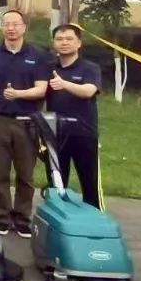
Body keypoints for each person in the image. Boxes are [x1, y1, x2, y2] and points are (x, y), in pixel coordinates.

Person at [0, 9, 50, 238]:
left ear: (24, 27)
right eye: (6, 24)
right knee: (0, 173)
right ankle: (3, 217)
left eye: (15, 24)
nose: (11, 28)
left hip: (27, 121)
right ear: (1, 27)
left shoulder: (38, 55)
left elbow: (42, 89)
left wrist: (19, 94)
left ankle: (22, 218)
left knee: (25, 175)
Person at [45, 24, 103, 209]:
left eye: (69, 39)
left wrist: (64, 84)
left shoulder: (90, 68)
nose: (64, 43)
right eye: (59, 39)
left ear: (79, 43)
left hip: (83, 133)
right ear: (54, 43)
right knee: (56, 184)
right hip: (56, 134)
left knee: (90, 184)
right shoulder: (49, 68)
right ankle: (59, 218)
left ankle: (95, 218)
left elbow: (88, 91)